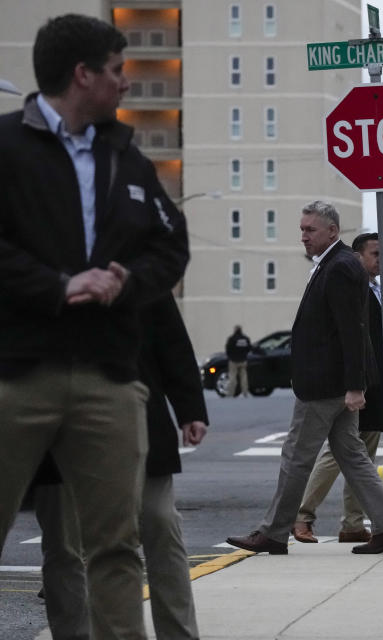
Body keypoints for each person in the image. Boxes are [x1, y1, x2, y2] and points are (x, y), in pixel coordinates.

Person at [0, 13, 188, 640]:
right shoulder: (7, 147)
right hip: (16, 374)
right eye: (116, 71)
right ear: (82, 75)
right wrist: (59, 287)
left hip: (111, 379)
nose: (126, 84)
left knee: (117, 547)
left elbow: (171, 245)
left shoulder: (125, 156)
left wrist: (126, 280)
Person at [226, 202, 383, 555]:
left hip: (326, 386)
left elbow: (352, 331)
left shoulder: (339, 267)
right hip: (334, 384)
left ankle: (273, 533)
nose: (303, 236)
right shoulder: (334, 265)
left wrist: (356, 385)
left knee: (296, 457)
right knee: (353, 455)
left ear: (332, 232)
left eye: (310, 229)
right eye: (302, 229)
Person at [35, 292, 209, 640]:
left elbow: (171, 337)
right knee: (63, 542)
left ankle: (178, 633)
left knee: (159, 522)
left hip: (135, 414)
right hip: (53, 422)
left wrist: (190, 408)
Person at [292, 232, 383, 544]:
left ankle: (353, 524)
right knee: (340, 454)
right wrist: (355, 385)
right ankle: (302, 517)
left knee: (363, 456)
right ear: (357, 257)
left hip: (373, 385)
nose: (380, 260)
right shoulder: (353, 288)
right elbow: (353, 340)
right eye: (375, 254)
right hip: (357, 386)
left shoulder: (375, 289)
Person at [225, 325, 252, 397]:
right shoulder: (245, 338)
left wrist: (230, 357)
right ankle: (245, 393)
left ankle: (230, 394)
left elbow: (228, 349)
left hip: (233, 361)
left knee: (232, 378)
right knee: (244, 378)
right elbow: (249, 348)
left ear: (235, 330)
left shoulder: (232, 339)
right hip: (243, 360)